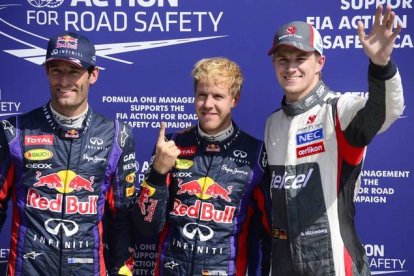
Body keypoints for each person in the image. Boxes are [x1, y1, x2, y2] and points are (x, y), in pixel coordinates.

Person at [264, 5, 404, 276]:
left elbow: (386, 111)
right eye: (283, 59)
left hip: (334, 264)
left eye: (300, 57)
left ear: (320, 62)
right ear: (274, 64)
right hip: (282, 263)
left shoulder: (339, 110)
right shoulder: (273, 123)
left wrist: (381, 66)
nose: (291, 67)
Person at [0, 32, 136, 275]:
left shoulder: (116, 136)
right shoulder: (14, 131)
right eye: (56, 70)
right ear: (46, 72)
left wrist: (120, 271)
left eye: (73, 71)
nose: (63, 81)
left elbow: (123, 219)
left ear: (93, 75)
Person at [132, 57, 271, 275]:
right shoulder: (171, 146)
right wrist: (158, 173)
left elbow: (269, 233)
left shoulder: (257, 153)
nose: (208, 104)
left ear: (234, 99)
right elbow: (146, 225)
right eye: (202, 95)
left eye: (218, 96)